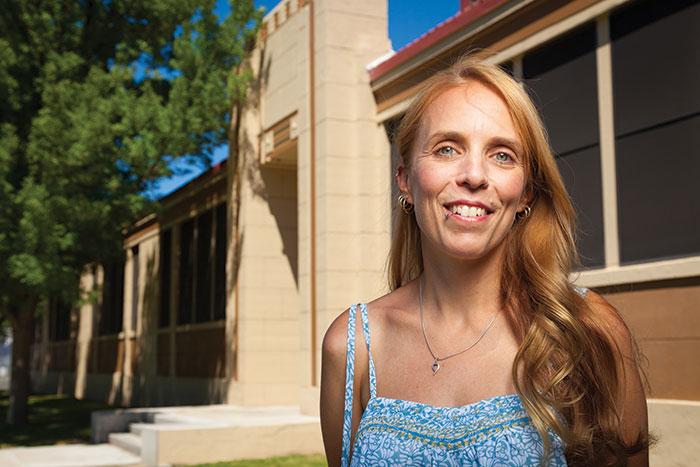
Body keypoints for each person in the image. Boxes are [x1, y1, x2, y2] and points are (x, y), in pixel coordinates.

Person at [320, 55, 650, 466]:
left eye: (502, 155)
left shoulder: (585, 329)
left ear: (526, 192)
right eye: (447, 148)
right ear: (405, 180)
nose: (474, 175)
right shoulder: (352, 348)